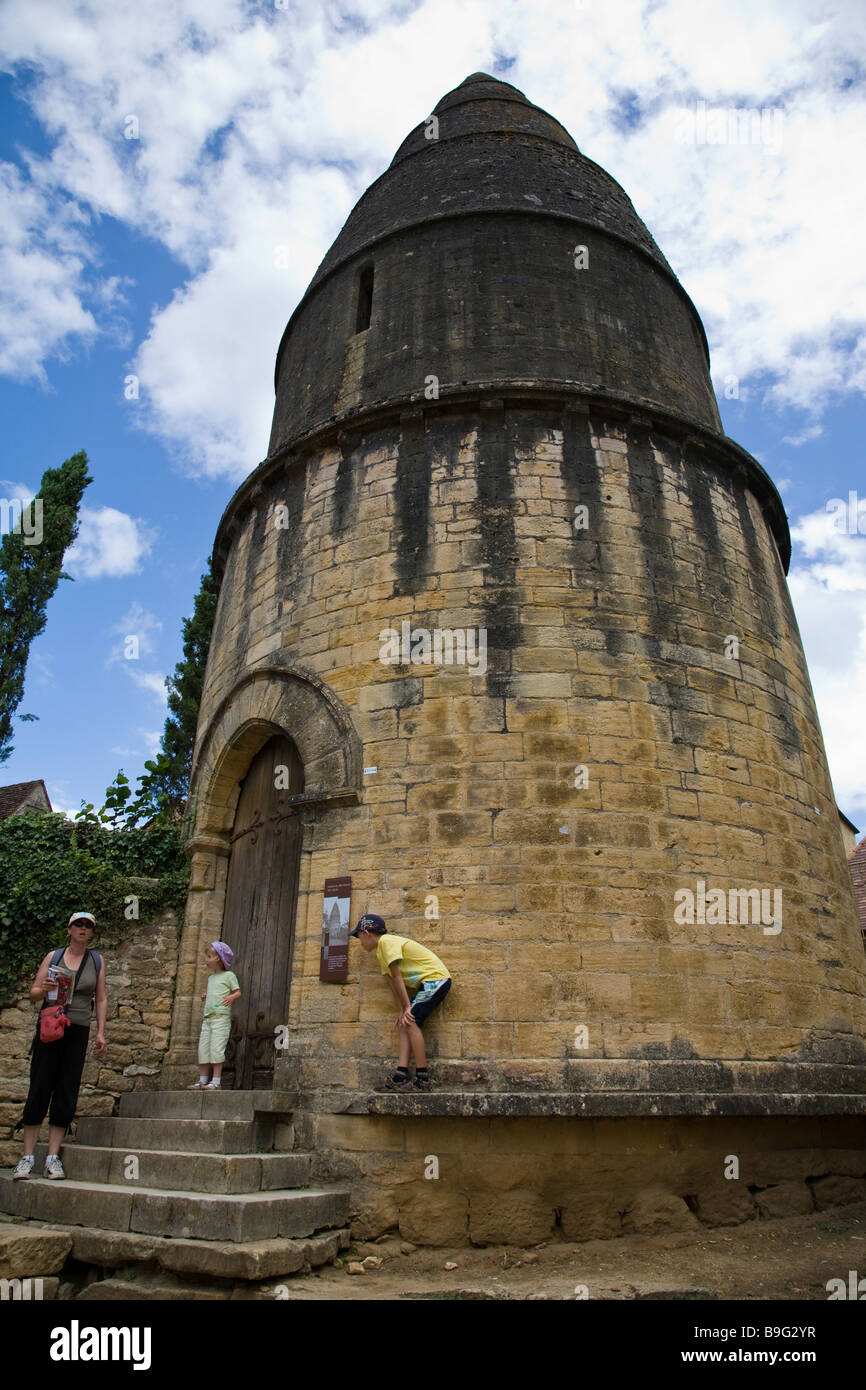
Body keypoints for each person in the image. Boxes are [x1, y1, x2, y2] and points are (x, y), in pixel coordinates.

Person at [13, 911, 107, 1180]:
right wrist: (44, 989)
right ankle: (27, 1157)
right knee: (40, 1086)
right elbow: (33, 994)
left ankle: (53, 1157)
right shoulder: (53, 957)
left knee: (67, 1089)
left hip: (77, 1029)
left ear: (91, 933)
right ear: (69, 929)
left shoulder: (96, 961)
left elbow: (100, 998)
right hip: (50, 1027)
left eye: (88, 926)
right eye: (78, 924)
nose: (83, 929)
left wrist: (101, 1031)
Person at [350, 913, 451, 1093]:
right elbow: (392, 982)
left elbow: (398, 977)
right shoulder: (381, 951)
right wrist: (401, 1010)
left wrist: (407, 1008)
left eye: (359, 938)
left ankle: (422, 1079)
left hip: (436, 980)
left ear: (366, 933)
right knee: (405, 1023)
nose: (361, 943)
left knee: (411, 1022)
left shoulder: (386, 942)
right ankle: (400, 1076)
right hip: (429, 983)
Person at [189, 940, 241, 1090]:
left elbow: (237, 992)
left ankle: (216, 1082)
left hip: (220, 1016)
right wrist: (207, 995)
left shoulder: (229, 975)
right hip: (208, 1018)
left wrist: (231, 997)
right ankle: (203, 1080)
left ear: (218, 959)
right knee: (203, 1049)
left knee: (217, 1049)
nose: (206, 960)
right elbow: (216, 991)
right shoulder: (211, 978)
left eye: (209, 957)